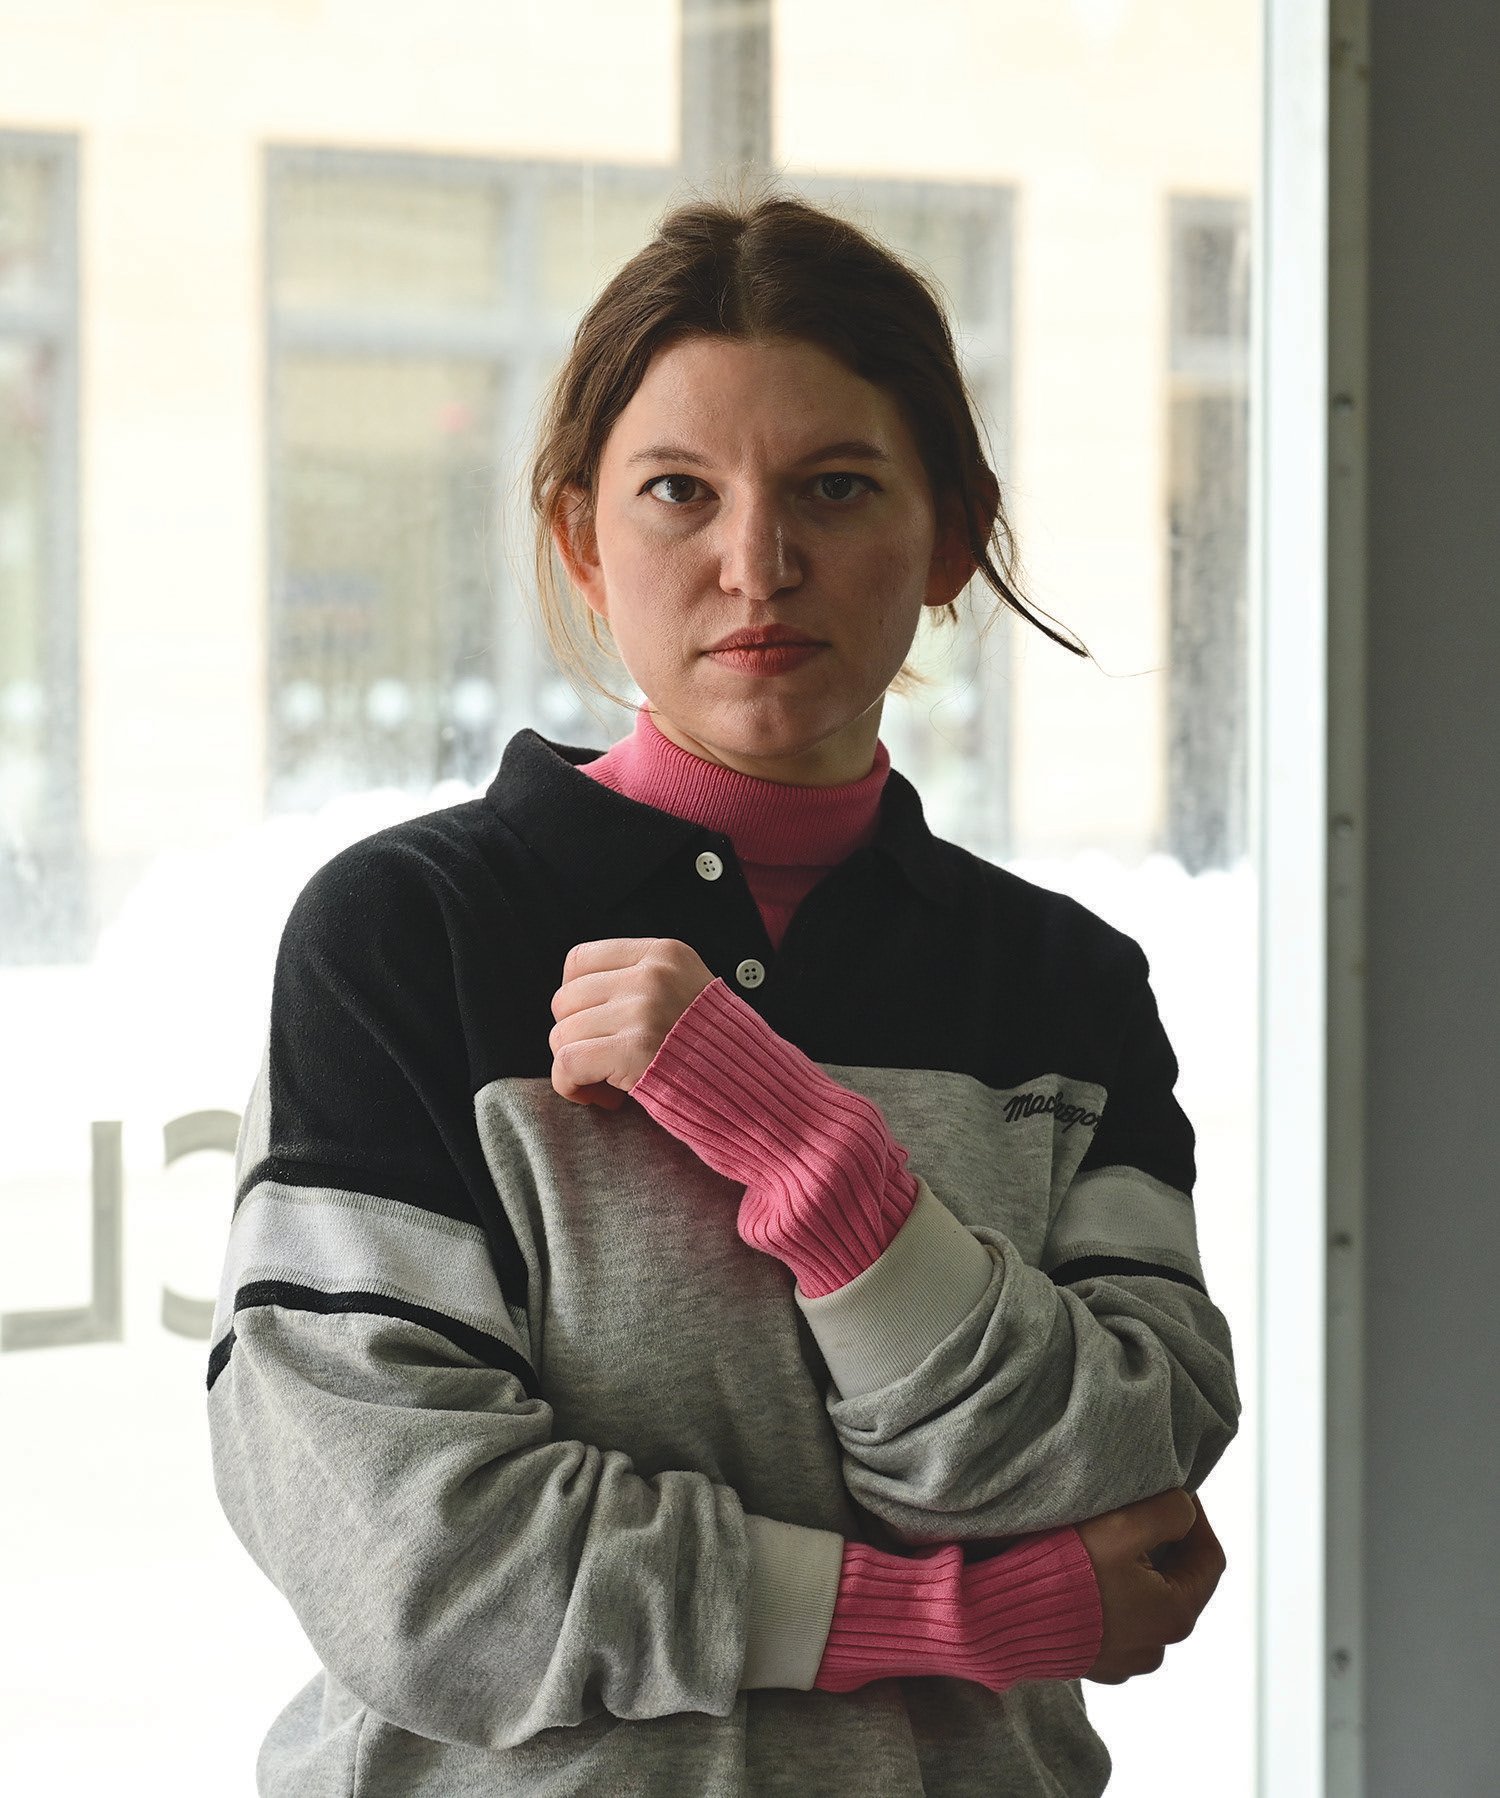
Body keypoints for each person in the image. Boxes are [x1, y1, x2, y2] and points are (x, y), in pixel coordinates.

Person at [208, 187, 1238, 1797]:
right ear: (580, 537)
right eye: (678, 492)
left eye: (835, 486)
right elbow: (418, 1569)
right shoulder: (410, 940)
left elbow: (1137, 1468)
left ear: (951, 534)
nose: (757, 561)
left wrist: (824, 1173)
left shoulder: (1059, 988)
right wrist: (957, 1616)